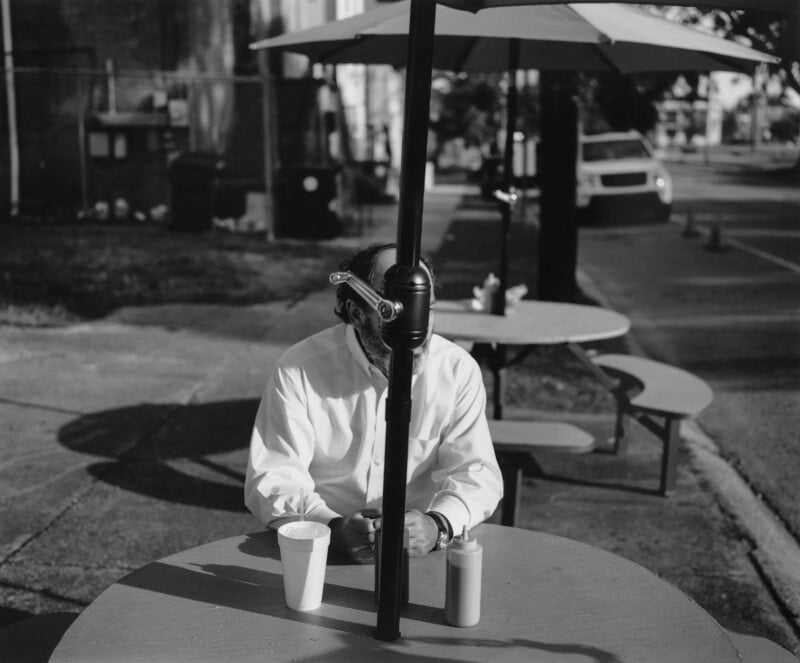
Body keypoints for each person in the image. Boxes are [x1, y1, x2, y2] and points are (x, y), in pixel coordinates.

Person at [245, 242, 502, 563]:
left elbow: (477, 473)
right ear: (357, 313)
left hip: (422, 553)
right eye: (396, 314)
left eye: (428, 309)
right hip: (320, 548)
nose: (417, 332)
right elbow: (273, 476)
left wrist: (437, 525)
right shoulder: (299, 368)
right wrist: (331, 527)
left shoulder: (457, 370)